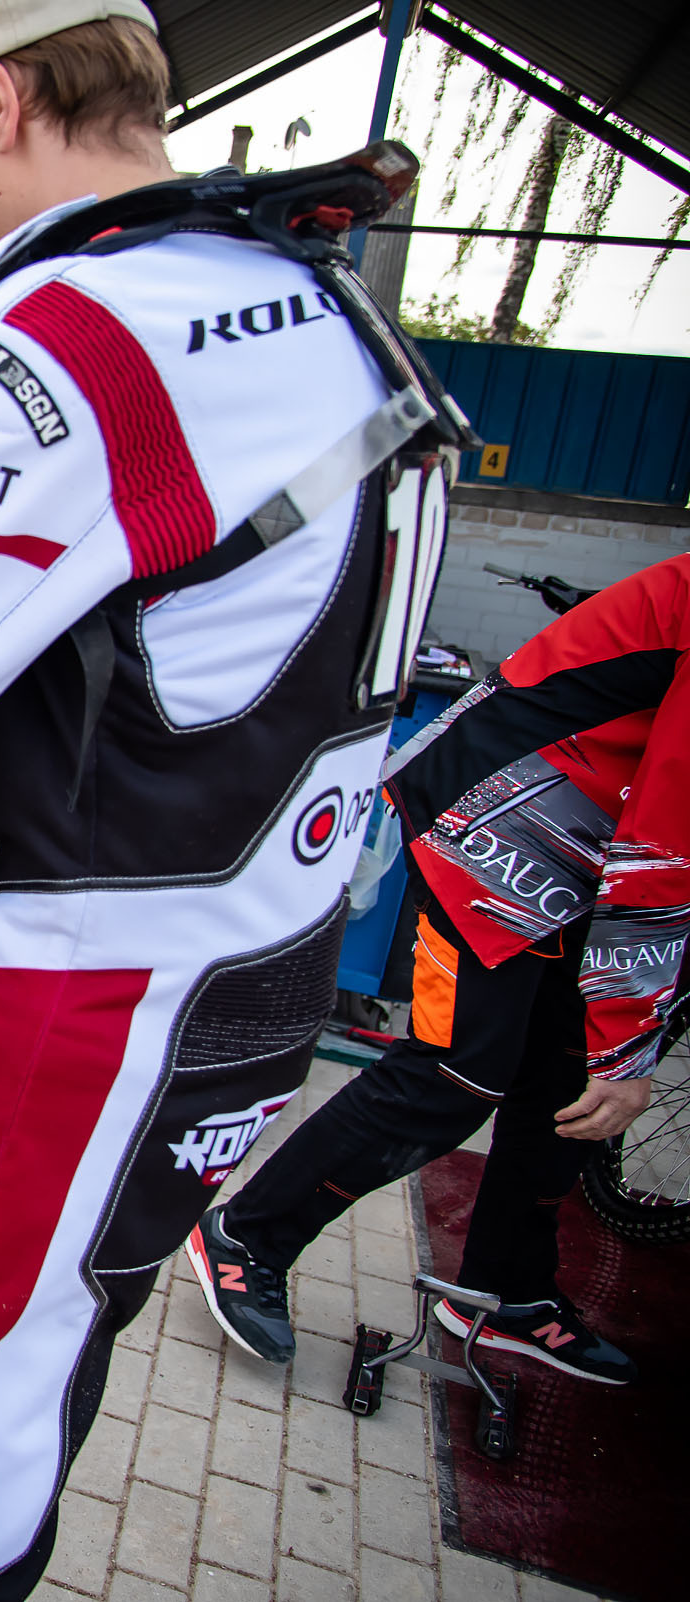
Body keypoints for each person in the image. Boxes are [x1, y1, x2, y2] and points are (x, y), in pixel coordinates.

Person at [0, 1, 470, 1595]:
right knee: (28, 1371)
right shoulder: (311, 292)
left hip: (99, 1008)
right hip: (261, 969)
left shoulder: (70, 326)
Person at [187, 552, 688, 1384]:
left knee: (567, 1085)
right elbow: (665, 852)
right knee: (455, 1074)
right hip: (495, 826)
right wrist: (630, 1048)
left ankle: (505, 1294)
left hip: (575, 857)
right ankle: (248, 1234)